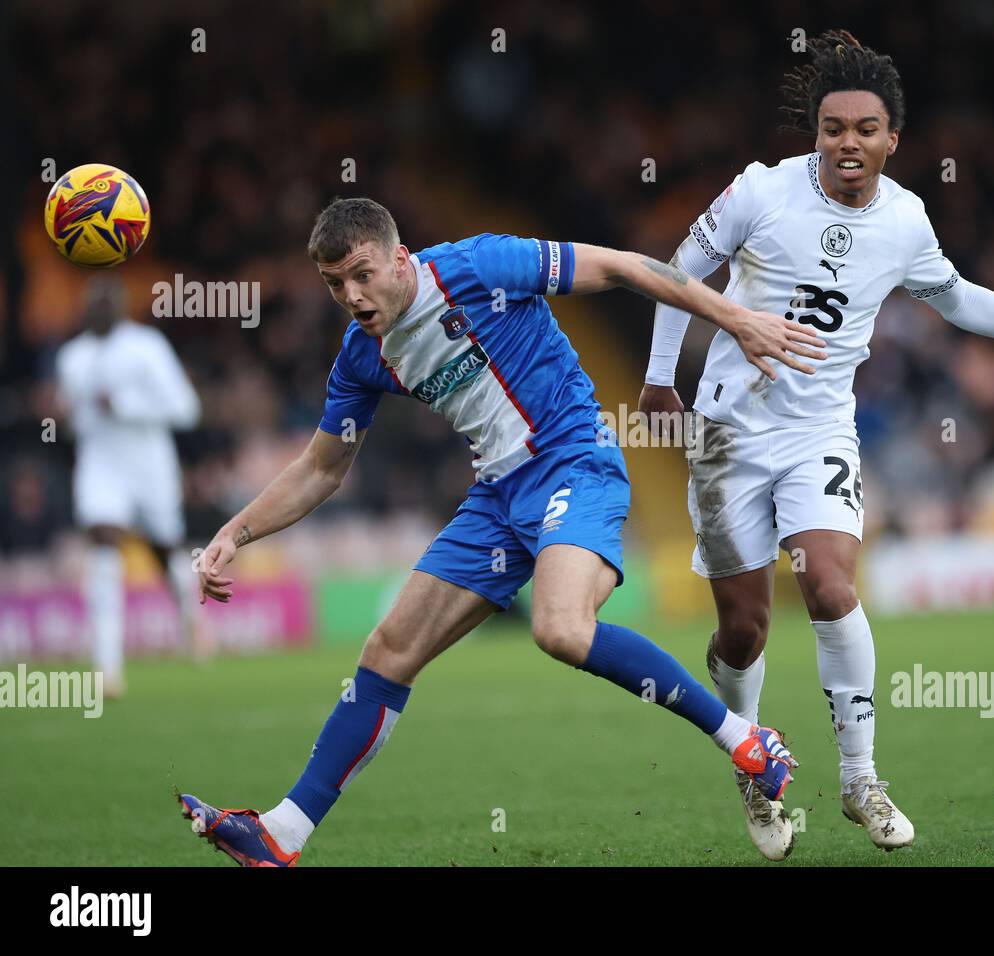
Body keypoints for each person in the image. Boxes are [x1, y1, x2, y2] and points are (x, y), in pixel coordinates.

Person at [177, 197, 824, 866]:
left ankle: (747, 742)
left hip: (576, 460)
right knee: (388, 651)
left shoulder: (479, 266)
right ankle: (282, 834)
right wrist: (236, 533)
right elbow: (321, 468)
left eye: (362, 274)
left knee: (560, 629)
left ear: (400, 258)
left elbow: (626, 266)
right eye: (335, 283)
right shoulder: (361, 356)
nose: (352, 295)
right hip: (497, 497)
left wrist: (737, 318)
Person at [639, 30, 994, 859]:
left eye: (864, 128)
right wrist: (656, 378)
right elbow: (678, 268)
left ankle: (861, 780)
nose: (847, 143)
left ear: (893, 138)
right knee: (744, 630)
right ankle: (750, 759)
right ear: (815, 134)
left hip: (819, 428)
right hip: (727, 429)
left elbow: (958, 299)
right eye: (832, 128)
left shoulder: (906, 220)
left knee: (829, 584)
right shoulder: (761, 191)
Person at [55, 276, 204, 698]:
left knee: (164, 552)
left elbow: (186, 409)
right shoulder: (72, 358)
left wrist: (124, 406)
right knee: (103, 546)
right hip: (99, 466)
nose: (99, 307)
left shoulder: (147, 347)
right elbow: (73, 420)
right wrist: (62, 417)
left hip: (150, 466)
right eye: (93, 301)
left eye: (107, 300)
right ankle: (107, 666)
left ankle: (191, 622)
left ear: (121, 306)